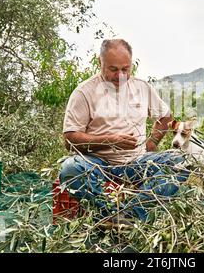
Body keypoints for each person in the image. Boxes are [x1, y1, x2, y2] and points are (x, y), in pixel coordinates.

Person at [59, 38, 189, 224]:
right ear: (99, 62)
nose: (120, 75)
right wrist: (110, 140)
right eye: (113, 69)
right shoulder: (84, 92)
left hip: (136, 162)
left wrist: (150, 145)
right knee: (70, 169)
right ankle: (109, 214)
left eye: (125, 69)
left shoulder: (142, 88)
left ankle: (132, 215)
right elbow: (70, 139)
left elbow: (165, 118)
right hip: (98, 165)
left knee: (182, 162)